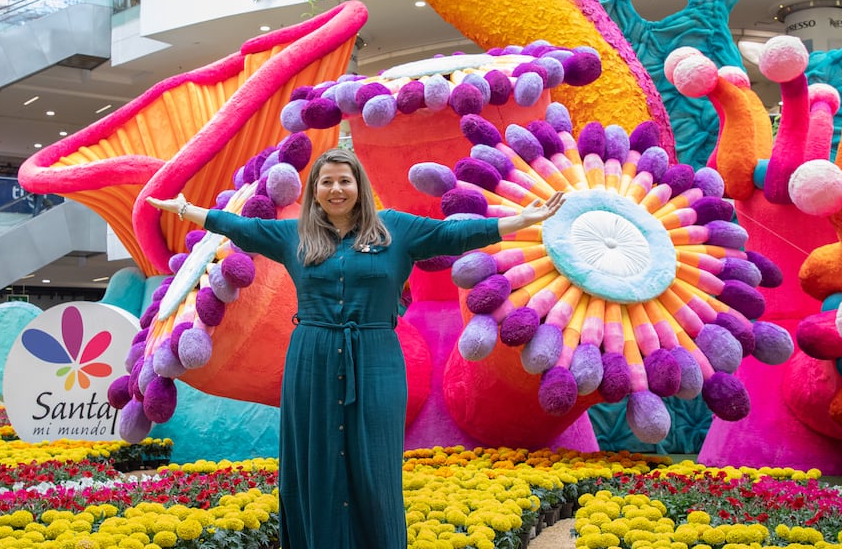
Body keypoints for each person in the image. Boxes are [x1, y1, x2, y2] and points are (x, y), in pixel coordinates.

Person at [148, 147, 564, 549]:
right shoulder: (295, 235)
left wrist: (517, 222)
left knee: (375, 460)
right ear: (315, 191)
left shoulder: (395, 228)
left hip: (377, 355)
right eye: (325, 182)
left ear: (358, 185)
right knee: (316, 460)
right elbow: (242, 228)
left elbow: (450, 234)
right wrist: (187, 211)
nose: (335, 189)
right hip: (312, 358)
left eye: (343, 180)